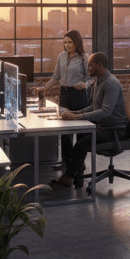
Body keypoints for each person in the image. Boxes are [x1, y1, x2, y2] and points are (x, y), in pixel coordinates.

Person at [51, 52, 128, 188]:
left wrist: (77, 117)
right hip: (103, 126)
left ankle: (69, 175)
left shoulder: (111, 84)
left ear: (100, 65)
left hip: (114, 130)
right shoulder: (98, 81)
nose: (88, 68)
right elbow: (94, 106)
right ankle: (73, 173)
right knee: (76, 144)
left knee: (81, 144)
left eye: (90, 65)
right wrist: (76, 112)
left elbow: (106, 112)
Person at [31, 30, 89, 171]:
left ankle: (78, 162)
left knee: (81, 132)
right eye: (65, 42)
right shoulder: (61, 56)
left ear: (77, 43)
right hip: (64, 94)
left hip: (79, 95)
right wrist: (44, 88)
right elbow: (56, 77)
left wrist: (85, 84)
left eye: (69, 42)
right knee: (64, 131)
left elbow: (92, 78)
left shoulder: (84, 57)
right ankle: (66, 162)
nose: (66, 45)